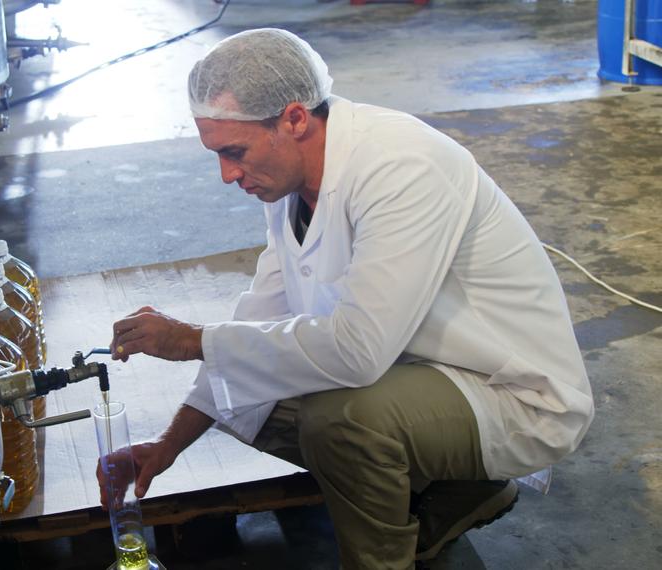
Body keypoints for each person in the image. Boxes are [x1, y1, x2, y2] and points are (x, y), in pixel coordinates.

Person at [104, 29, 594, 569]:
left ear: (293, 119)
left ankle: (385, 560)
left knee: (341, 421)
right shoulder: (289, 180)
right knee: (251, 396)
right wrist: (167, 447)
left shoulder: (402, 168)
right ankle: (460, 492)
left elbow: (357, 351)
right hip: (412, 367)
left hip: (505, 390)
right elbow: (257, 324)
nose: (227, 175)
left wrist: (192, 339)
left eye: (234, 152)